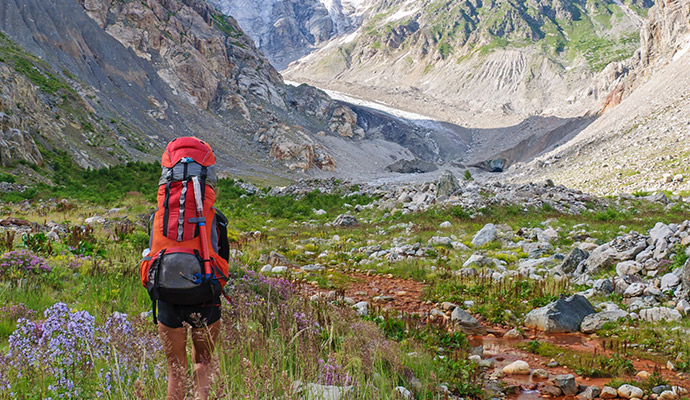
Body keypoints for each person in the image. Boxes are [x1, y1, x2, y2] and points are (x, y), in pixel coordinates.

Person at [140, 137, 230, 400]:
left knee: (175, 369)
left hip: (167, 295)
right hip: (205, 296)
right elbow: (223, 262)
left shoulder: (157, 217)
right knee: (203, 364)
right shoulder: (217, 219)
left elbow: (151, 253)